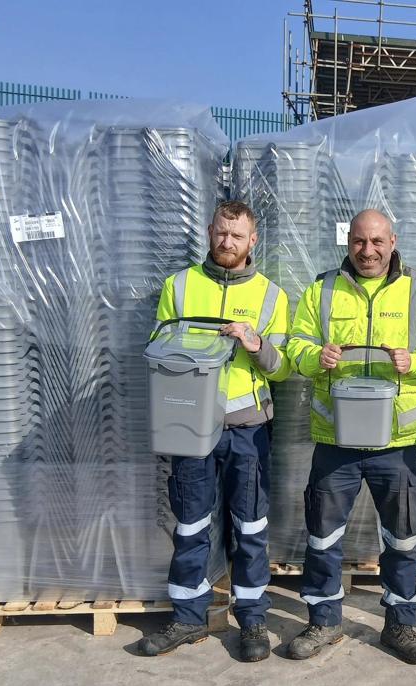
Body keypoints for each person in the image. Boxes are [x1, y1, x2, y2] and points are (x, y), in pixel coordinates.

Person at [284, 209, 416, 665]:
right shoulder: (323, 290)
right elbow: (294, 345)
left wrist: (414, 361)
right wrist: (314, 355)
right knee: (322, 535)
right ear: (349, 242)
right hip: (336, 441)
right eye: (360, 242)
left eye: (377, 242)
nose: (368, 251)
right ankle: (323, 622)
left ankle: (401, 623)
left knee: (402, 537)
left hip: (397, 444)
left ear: (393, 241)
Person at [138, 200, 292, 662]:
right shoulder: (180, 286)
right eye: (221, 233)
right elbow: (156, 348)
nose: (228, 243)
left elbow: (282, 368)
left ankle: (253, 619)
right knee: (191, 523)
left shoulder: (271, 296)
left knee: (250, 526)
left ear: (252, 240)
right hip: (188, 425)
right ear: (210, 231)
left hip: (248, 429)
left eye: (237, 236)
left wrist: (255, 341)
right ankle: (188, 618)